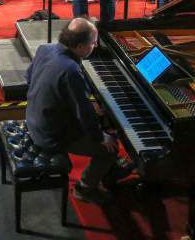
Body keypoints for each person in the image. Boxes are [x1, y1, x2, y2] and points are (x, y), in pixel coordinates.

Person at [25, 17, 133, 205]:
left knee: (101, 118)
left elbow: (29, 78)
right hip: (51, 135)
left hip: (34, 118)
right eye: (93, 42)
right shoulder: (70, 69)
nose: (96, 45)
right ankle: (85, 188)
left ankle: (108, 171)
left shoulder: (46, 49)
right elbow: (84, 115)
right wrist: (102, 137)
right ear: (82, 46)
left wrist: (61, 100)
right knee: (110, 146)